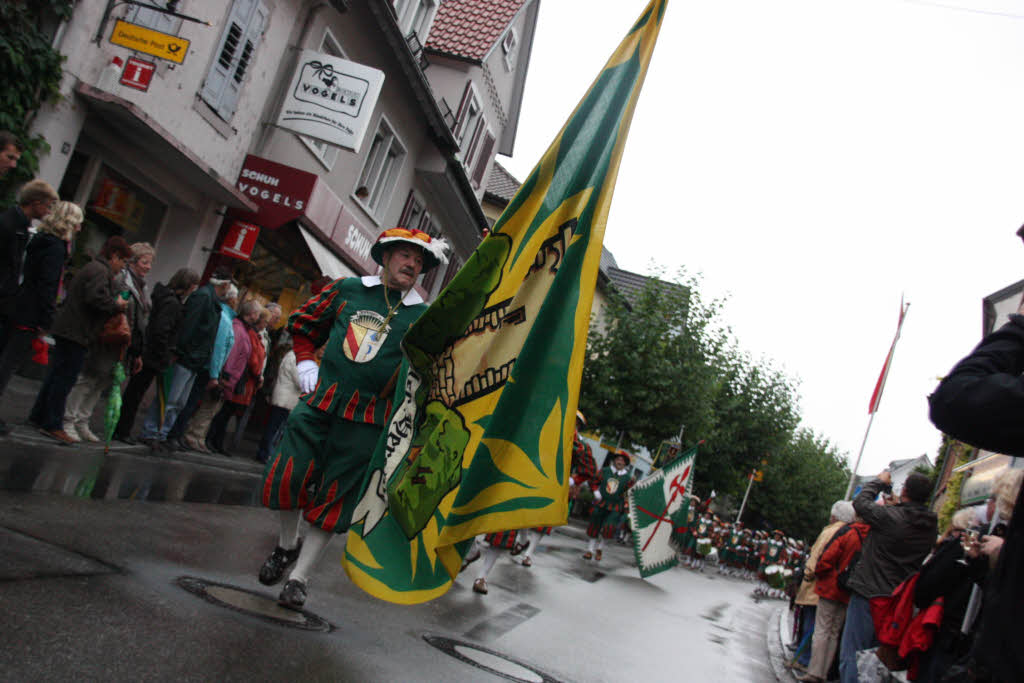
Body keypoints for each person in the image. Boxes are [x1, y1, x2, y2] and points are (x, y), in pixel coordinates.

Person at [256, 226, 448, 610]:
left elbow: (432, 372)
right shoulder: (347, 290)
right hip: (321, 402)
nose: (412, 264)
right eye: (405, 255)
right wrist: (307, 361)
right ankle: (285, 545)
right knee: (288, 476)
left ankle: (299, 578)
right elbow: (305, 325)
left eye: (419, 260)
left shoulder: (423, 317)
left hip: (369, 420)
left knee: (334, 498)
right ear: (386, 256)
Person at [29, 236, 131, 443]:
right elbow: (95, 298)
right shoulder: (101, 271)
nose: (122, 267)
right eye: (123, 261)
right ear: (114, 256)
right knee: (64, 379)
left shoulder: (93, 268)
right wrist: (117, 305)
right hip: (77, 331)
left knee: (56, 375)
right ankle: (52, 423)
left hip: (70, 329)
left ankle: (39, 416)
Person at [837, 470, 937, 683]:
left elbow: (861, 503)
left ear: (905, 490)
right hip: (897, 601)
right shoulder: (929, 527)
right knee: (876, 661)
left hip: (869, 594)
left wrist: (879, 482)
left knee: (853, 655)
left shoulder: (891, 518)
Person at [0, 201, 80, 435]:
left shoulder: (40, 241)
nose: (79, 229)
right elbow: (48, 284)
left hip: (19, 304)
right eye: (77, 223)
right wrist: (47, 318)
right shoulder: (56, 248)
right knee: (9, 362)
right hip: (30, 312)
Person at [63, 242, 155, 442]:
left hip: (124, 342)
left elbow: (141, 320)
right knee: (89, 378)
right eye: (144, 262)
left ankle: (82, 420)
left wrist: (137, 350)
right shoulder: (121, 280)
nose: (148, 267)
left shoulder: (142, 287)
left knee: (102, 381)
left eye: (150, 263)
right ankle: (69, 418)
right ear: (132, 261)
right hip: (109, 337)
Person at [138, 269, 231, 450]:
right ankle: (151, 432)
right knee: (171, 398)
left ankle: (162, 434)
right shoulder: (204, 297)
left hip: (195, 360)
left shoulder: (211, 300)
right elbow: (189, 326)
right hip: (187, 357)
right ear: (224, 284)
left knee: (179, 402)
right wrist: (180, 351)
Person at [113, 268, 200, 444]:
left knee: (134, 392)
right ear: (189, 285)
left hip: (151, 351)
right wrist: (164, 354)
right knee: (135, 393)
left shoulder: (165, 298)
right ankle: (122, 430)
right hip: (153, 354)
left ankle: (122, 428)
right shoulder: (172, 304)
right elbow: (162, 330)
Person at [792, 501, 855, 682]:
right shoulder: (853, 532)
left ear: (834, 515)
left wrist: (808, 575)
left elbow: (818, 559)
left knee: (816, 628)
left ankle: (808, 664)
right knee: (832, 633)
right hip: (842, 589)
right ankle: (822, 670)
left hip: (820, 586)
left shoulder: (831, 531)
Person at [180, 284, 238, 454]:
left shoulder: (226, 317)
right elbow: (219, 347)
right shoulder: (224, 318)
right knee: (188, 402)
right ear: (231, 298)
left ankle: (180, 434)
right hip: (206, 367)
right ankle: (178, 434)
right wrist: (215, 374)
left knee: (189, 402)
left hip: (208, 366)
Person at [0, 179, 58, 346]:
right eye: (47, 206)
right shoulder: (9, 225)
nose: (48, 212)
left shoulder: (22, 228)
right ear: (36, 203)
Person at [206, 300, 265, 456]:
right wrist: (226, 375)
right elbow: (233, 354)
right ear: (251, 314)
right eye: (258, 314)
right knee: (217, 411)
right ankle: (206, 439)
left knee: (222, 412)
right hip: (231, 377)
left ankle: (213, 440)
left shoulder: (245, 330)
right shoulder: (240, 329)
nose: (258, 318)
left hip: (235, 378)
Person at [582, 450, 633, 561]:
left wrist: (626, 506)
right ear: (614, 460)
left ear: (625, 463)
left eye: (622, 460)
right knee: (595, 525)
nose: (619, 462)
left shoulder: (628, 478)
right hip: (602, 503)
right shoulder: (605, 471)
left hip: (615, 507)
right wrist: (595, 491)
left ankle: (600, 549)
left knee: (609, 528)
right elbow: (594, 481)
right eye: (618, 459)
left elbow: (628, 493)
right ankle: (590, 550)